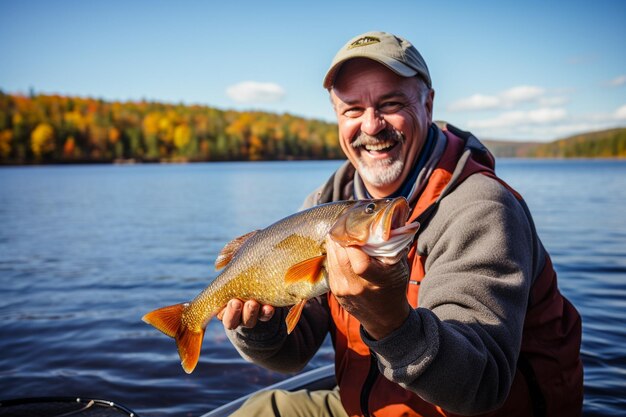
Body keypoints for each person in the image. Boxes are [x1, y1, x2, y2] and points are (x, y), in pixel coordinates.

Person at [217, 31, 583, 417]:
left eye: (390, 104)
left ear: (428, 103)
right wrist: (258, 328)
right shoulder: (323, 207)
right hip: (365, 406)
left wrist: (391, 323)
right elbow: (292, 354)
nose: (372, 126)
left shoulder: (482, 208)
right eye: (352, 110)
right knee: (260, 409)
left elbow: (479, 386)